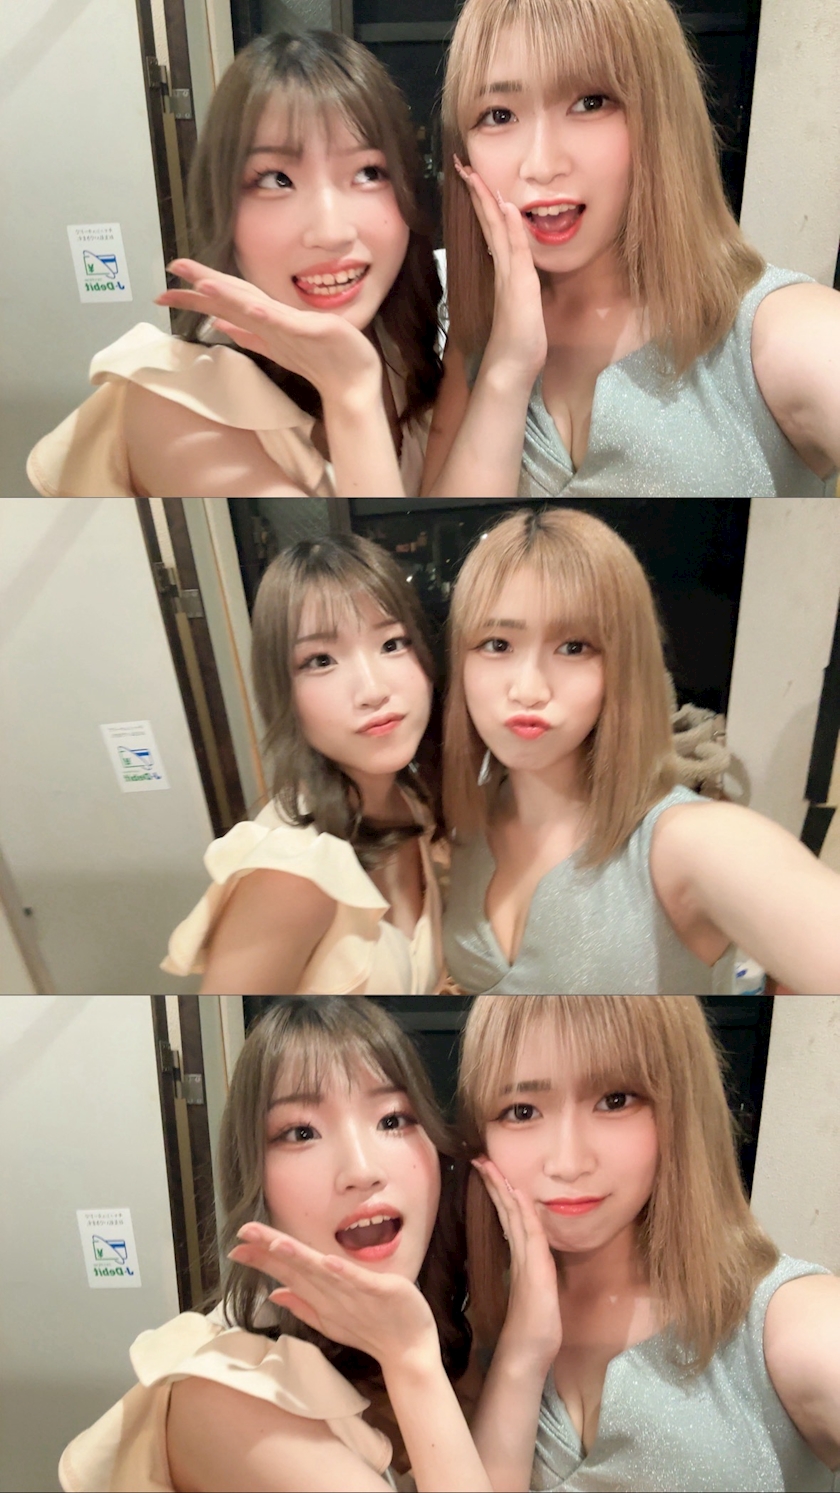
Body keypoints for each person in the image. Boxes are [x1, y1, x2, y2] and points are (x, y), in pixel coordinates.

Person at [58, 996, 492, 1493]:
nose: (362, 1170)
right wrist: (411, 1360)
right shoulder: (224, 1398)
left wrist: (524, 1348)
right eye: (301, 1132)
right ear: (255, 1182)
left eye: (392, 1119)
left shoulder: (434, 1333)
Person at [422, 0, 840, 498]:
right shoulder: (463, 320)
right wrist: (506, 365)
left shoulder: (775, 333)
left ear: (661, 116)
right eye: (499, 115)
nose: (541, 164)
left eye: (591, 102)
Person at [27, 30, 442, 498]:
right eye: (276, 179)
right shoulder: (171, 405)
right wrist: (350, 392)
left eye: (368, 172)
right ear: (221, 205)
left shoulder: (408, 337)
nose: (331, 232)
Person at [441, 506, 840, 993]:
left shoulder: (690, 843)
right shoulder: (467, 827)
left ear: (623, 664)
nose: (528, 690)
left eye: (574, 647)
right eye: (497, 644)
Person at [459, 994, 840, 1493]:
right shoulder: (477, 1330)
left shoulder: (783, 1322)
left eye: (615, 1100)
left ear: (680, 1110)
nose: (568, 1163)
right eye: (522, 1110)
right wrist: (520, 1353)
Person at [163, 534, 445, 994]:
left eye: (392, 643)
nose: (373, 690)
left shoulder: (411, 803)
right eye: (321, 660)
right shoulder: (292, 876)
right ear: (282, 691)